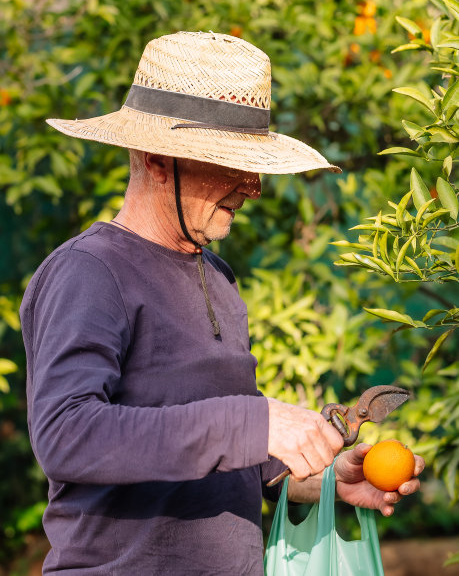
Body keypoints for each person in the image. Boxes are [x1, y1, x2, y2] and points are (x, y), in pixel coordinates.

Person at [20, 31, 424, 575]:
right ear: (158, 159)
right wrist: (253, 421)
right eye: (230, 164)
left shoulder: (218, 278)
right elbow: (67, 436)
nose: (253, 186)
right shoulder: (90, 273)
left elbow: (220, 458)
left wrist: (314, 483)